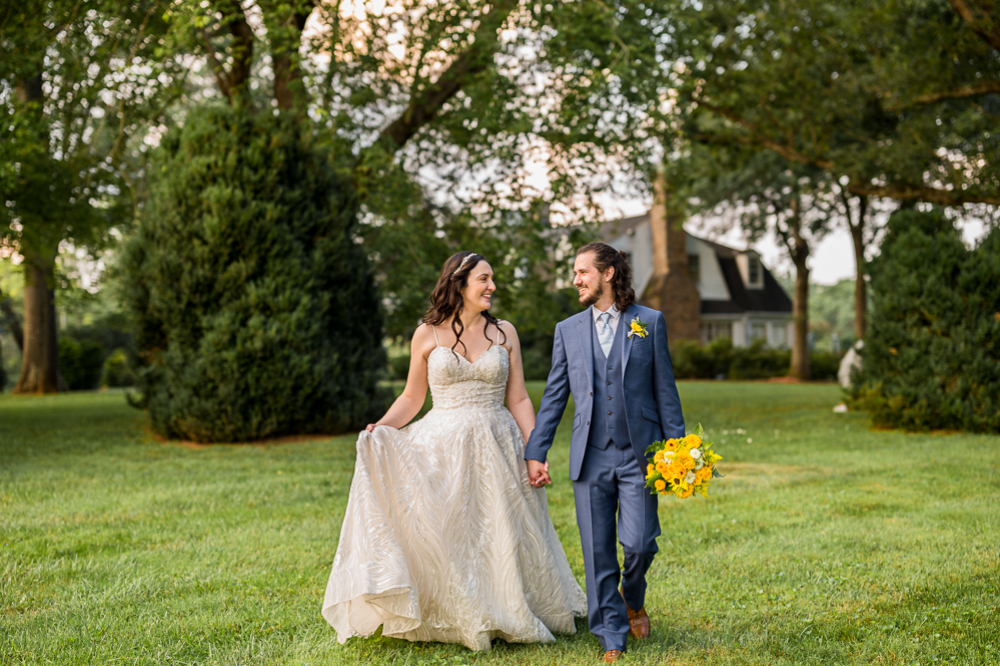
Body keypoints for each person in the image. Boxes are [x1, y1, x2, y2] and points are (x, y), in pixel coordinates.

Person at [322, 251, 586, 652]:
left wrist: (536, 450)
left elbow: (518, 400)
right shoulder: (426, 334)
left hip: (499, 443)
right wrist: (381, 428)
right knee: (454, 532)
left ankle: (510, 607)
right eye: (484, 279)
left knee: (501, 530)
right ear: (459, 284)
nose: (492, 286)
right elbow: (412, 398)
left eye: (492, 279)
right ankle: (464, 611)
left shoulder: (504, 333)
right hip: (443, 445)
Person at [524, 243, 685, 664]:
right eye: (575, 273)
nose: (575, 279)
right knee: (598, 551)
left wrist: (679, 450)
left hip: (639, 455)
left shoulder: (649, 322)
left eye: (582, 272)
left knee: (640, 544)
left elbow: (665, 391)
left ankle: (633, 597)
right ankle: (610, 632)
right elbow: (556, 395)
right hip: (590, 456)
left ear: (609, 273)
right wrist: (536, 451)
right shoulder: (568, 329)